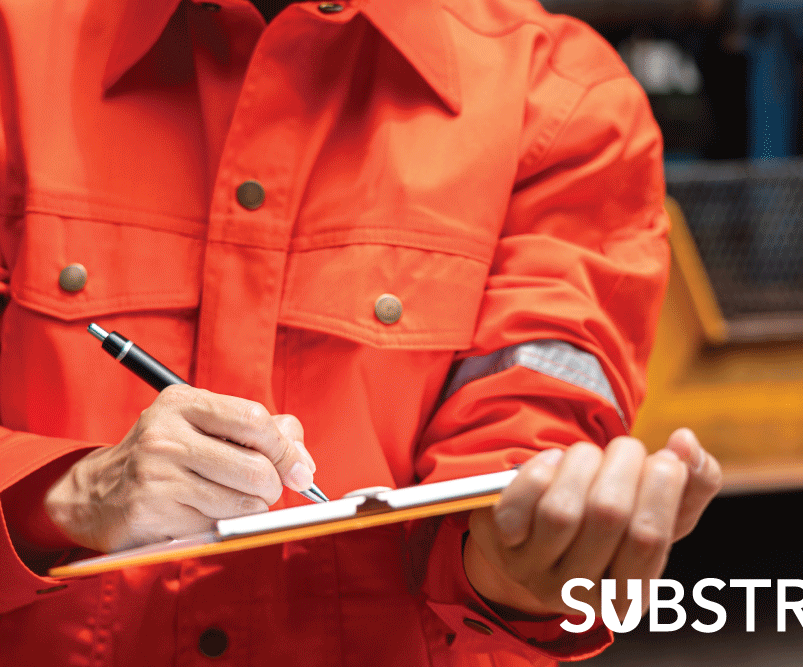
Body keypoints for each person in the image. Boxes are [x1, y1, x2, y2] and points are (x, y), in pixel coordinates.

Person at [0, 0, 722, 664]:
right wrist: (70, 494)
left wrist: (514, 561)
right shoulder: (16, 52)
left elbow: (528, 430)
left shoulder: (560, 103)